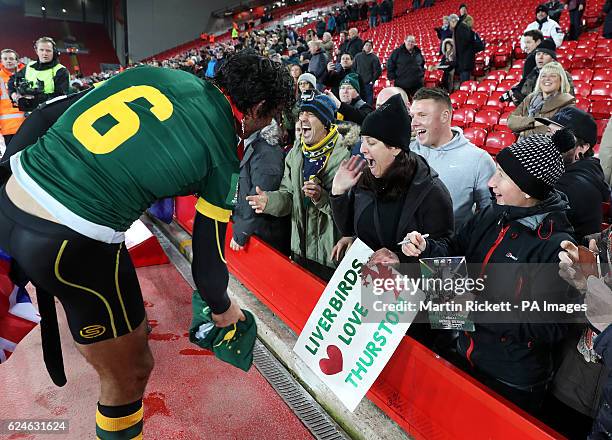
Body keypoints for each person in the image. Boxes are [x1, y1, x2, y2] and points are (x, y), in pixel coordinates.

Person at [0, 50, 293, 439]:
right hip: (71, 237)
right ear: (257, 108)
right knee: (131, 371)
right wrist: (224, 310)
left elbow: (43, 116)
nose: (267, 125)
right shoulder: (225, 152)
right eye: (269, 117)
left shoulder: (155, 74)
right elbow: (207, 266)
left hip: (11, 196)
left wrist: (9, 177)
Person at [402, 130, 580, 415]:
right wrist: (427, 248)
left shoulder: (557, 246)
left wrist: (481, 308)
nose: (490, 182)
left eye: (501, 176)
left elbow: (551, 325)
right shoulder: (493, 213)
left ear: (526, 189)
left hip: (510, 380)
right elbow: (455, 249)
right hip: (463, 351)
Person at [246, 93, 359, 280]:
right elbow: (288, 196)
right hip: (299, 250)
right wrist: (269, 201)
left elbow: (351, 215)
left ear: (325, 122)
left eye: (311, 114)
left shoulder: (345, 157)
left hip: (330, 255)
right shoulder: (296, 153)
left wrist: (321, 197)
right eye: (302, 113)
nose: (302, 118)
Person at [329, 94, 453, 264]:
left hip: (406, 287)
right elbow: (348, 228)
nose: (363, 149)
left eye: (371, 143)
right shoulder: (365, 176)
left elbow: (446, 253)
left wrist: (401, 259)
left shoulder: (431, 191)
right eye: (363, 141)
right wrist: (338, 192)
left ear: (394, 147)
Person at [409, 87, 496, 228]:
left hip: (453, 247)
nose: (414, 123)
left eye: (422, 115)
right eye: (413, 116)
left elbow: (490, 216)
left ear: (445, 116)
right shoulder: (406, 151)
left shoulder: (479, 160)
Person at [536, 107, 610, 239]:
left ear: (582, 147)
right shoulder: (559, 168)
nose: (549, 141)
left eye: (560, 137)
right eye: (549, 133)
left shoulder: (575, 185)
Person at [230, 119, 290, 256]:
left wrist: (241, 231)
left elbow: (257, 198)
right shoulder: (245, 142)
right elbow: (237, 178)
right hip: (247, 228)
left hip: (263, 235)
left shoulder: (267, 151)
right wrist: (229, 207)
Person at [508, 62, 575, 138]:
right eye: (543, 76)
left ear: (561, 81)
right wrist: (534, 122)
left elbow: (553, 130)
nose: (547, 79)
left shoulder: (567, 102)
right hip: (522, 144)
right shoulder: (530, 98)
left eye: (553, 76)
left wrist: (523, 131)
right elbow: (511, 121)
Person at [8, 37, 69, 113]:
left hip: (51, 112)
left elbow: (61, 97)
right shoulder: (29, 66)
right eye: (41, 50)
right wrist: (13, 94)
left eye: (48, 50)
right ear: (37, 51)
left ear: (54, 52)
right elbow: (11, 80)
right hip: (30, 112)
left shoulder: (61, 70)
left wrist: (36, 97)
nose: (45, 53)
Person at [0, 49, 25, 151]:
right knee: (12, 157)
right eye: (5, 59)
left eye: (11, 58)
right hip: (8, 127)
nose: (8, 61)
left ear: (17, 61)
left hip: (28, 123)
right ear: (1, 61)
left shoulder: (27, 74)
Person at [353, 40, 382, 105]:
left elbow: (377, 71)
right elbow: (353, 68)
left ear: (372, 47)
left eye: (370, 45)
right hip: (358, 82)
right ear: (363, 46)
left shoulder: (374, 58)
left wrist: (372, 81)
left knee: (369, 102)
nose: (368, 47)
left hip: (368, 83)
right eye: (366, 45)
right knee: (359, 100)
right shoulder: (357, 56)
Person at [449, 14, 475, 83]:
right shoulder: (459, 27)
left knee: (465, 83)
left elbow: (467, 41)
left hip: (464, 61)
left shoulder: (461, 27)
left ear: (453, 21)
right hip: (463, 61)